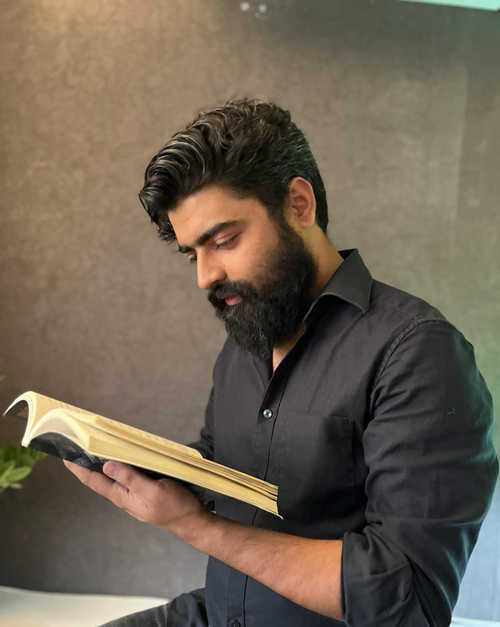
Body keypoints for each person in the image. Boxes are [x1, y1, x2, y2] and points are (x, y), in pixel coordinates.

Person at [64, 99, 498, 627]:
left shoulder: (417, 354)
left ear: (298, 204)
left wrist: (192, 525)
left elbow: (406, 599)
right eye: (192, 254)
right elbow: (224, 465)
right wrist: (136, 462)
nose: (204, 276)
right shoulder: (246, 340)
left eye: (224, 241)